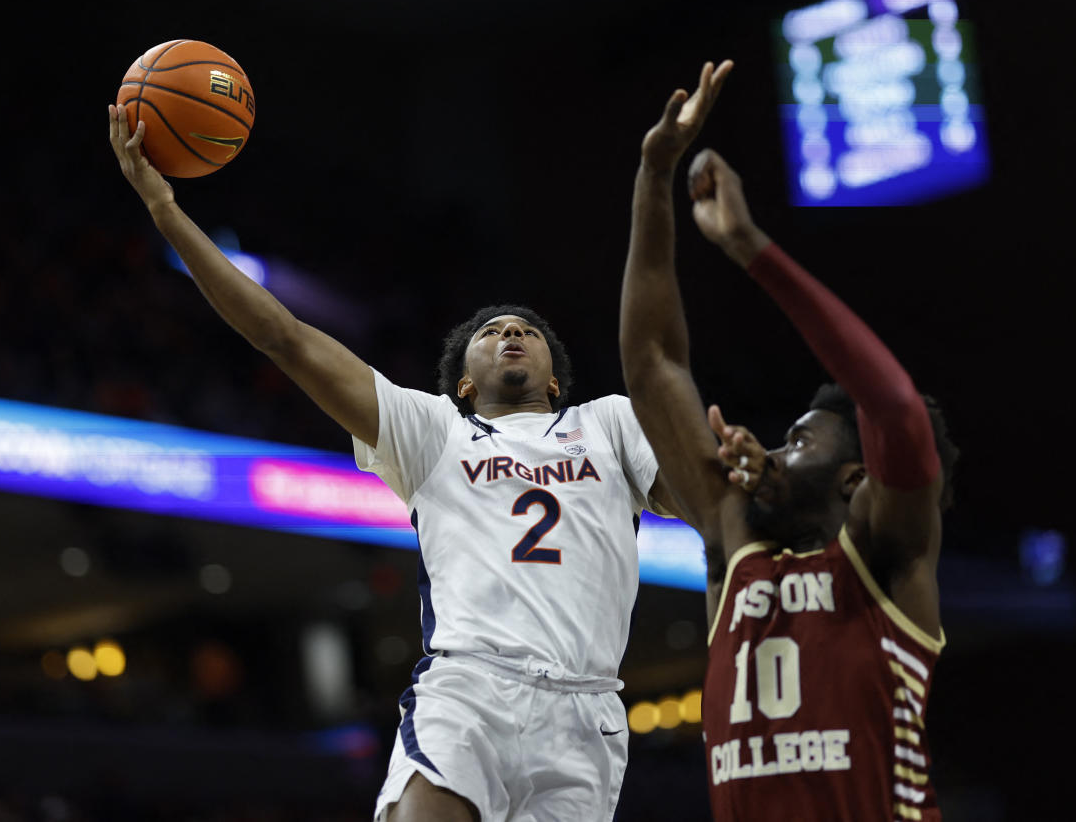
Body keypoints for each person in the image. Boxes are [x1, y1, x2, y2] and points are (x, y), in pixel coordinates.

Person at [107, 73, 698, 818]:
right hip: (471, 688)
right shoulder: (433, 430)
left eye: (527, 331)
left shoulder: (608, 423)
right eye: (491, 331)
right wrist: (166, 213)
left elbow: (697, 499)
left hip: (588, 713)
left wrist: (726, 480)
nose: (511, 332)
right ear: (460, 384)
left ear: (555, 383)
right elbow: (282, 337)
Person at [619, 62, 958, 821]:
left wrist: (750, 248)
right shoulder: (734, 541)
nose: (772, 451)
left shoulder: (886, 558)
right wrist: (654, 173)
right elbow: (653, 364)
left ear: (853, 481)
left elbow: (895, 408)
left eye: (800, 442)